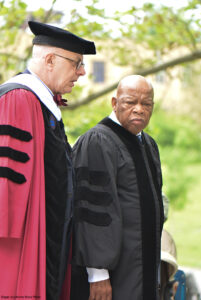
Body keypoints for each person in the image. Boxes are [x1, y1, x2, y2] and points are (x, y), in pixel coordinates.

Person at [0, 21, 96, 300]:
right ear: (50, 60)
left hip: (49, 237)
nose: (82, 72)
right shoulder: (19, 98)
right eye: (76, 63)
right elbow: (8, 184)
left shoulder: (44, 104)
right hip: (20, 246)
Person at [71, 75, 164, 300]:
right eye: (130, 102)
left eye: (146, 104)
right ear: (114, 103)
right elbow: (91, 212)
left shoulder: (148, 144)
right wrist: (97, 274)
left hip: (142, 264)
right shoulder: (97, 141)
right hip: (113, 272)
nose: (139, 109)